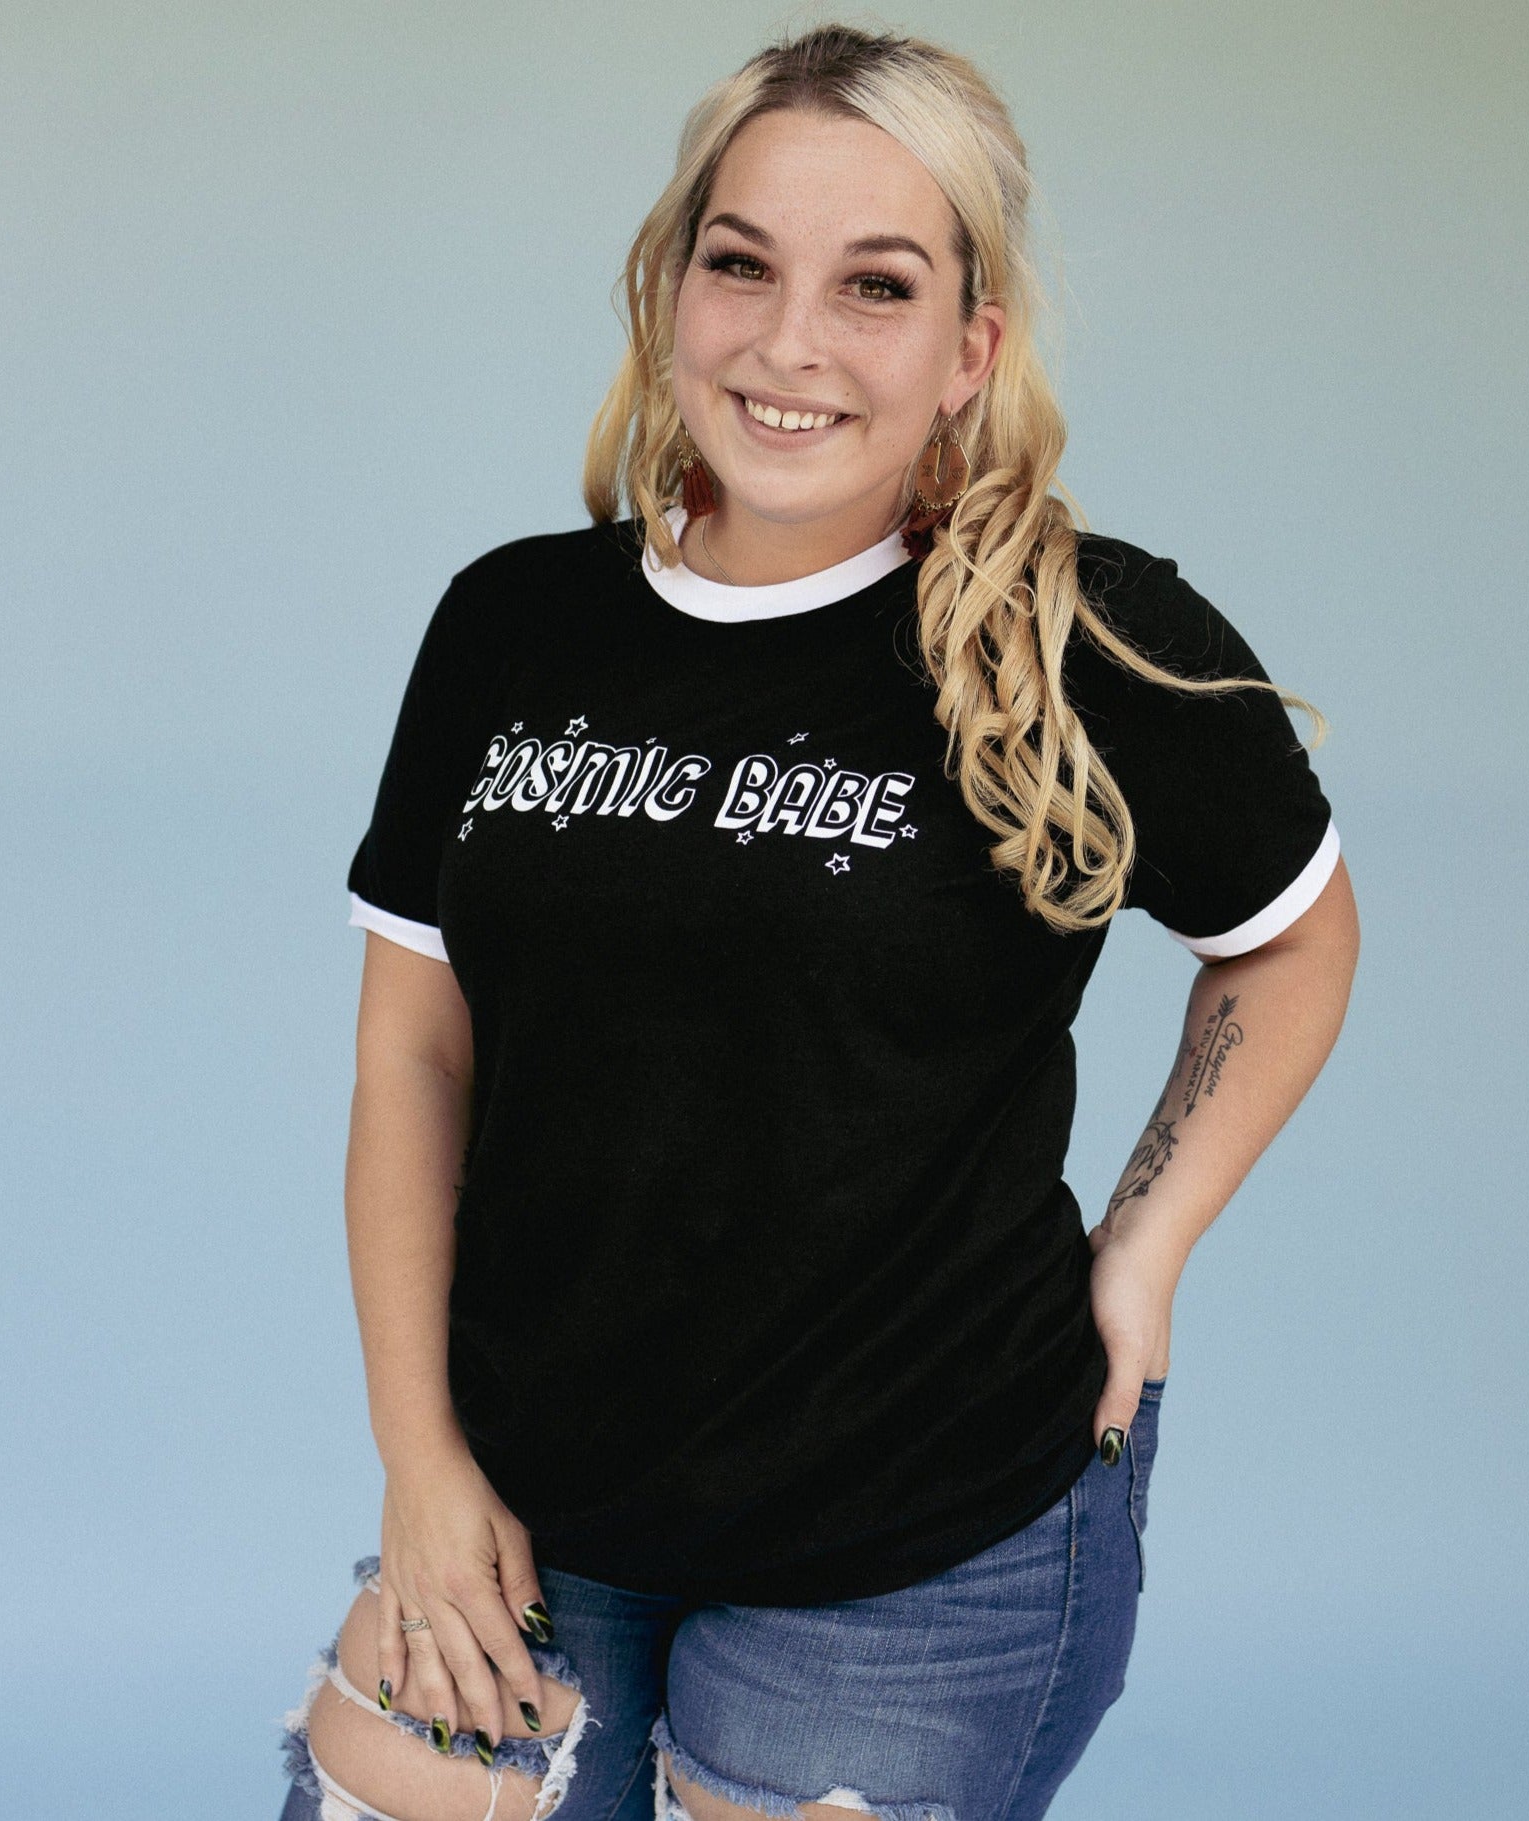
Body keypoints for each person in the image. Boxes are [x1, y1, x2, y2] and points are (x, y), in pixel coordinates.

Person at [275, 23, 1360, 1821]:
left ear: (967, 350)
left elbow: (1288, 938)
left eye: (876, 285)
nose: (789, 344)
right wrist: (421, 1455)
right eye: (740, 263)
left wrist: (1141, 1251)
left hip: (916, 1540)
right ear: (668, 285)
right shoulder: (514, 622)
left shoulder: (1081, 636)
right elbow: (412, 1045)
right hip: (532, 1500)